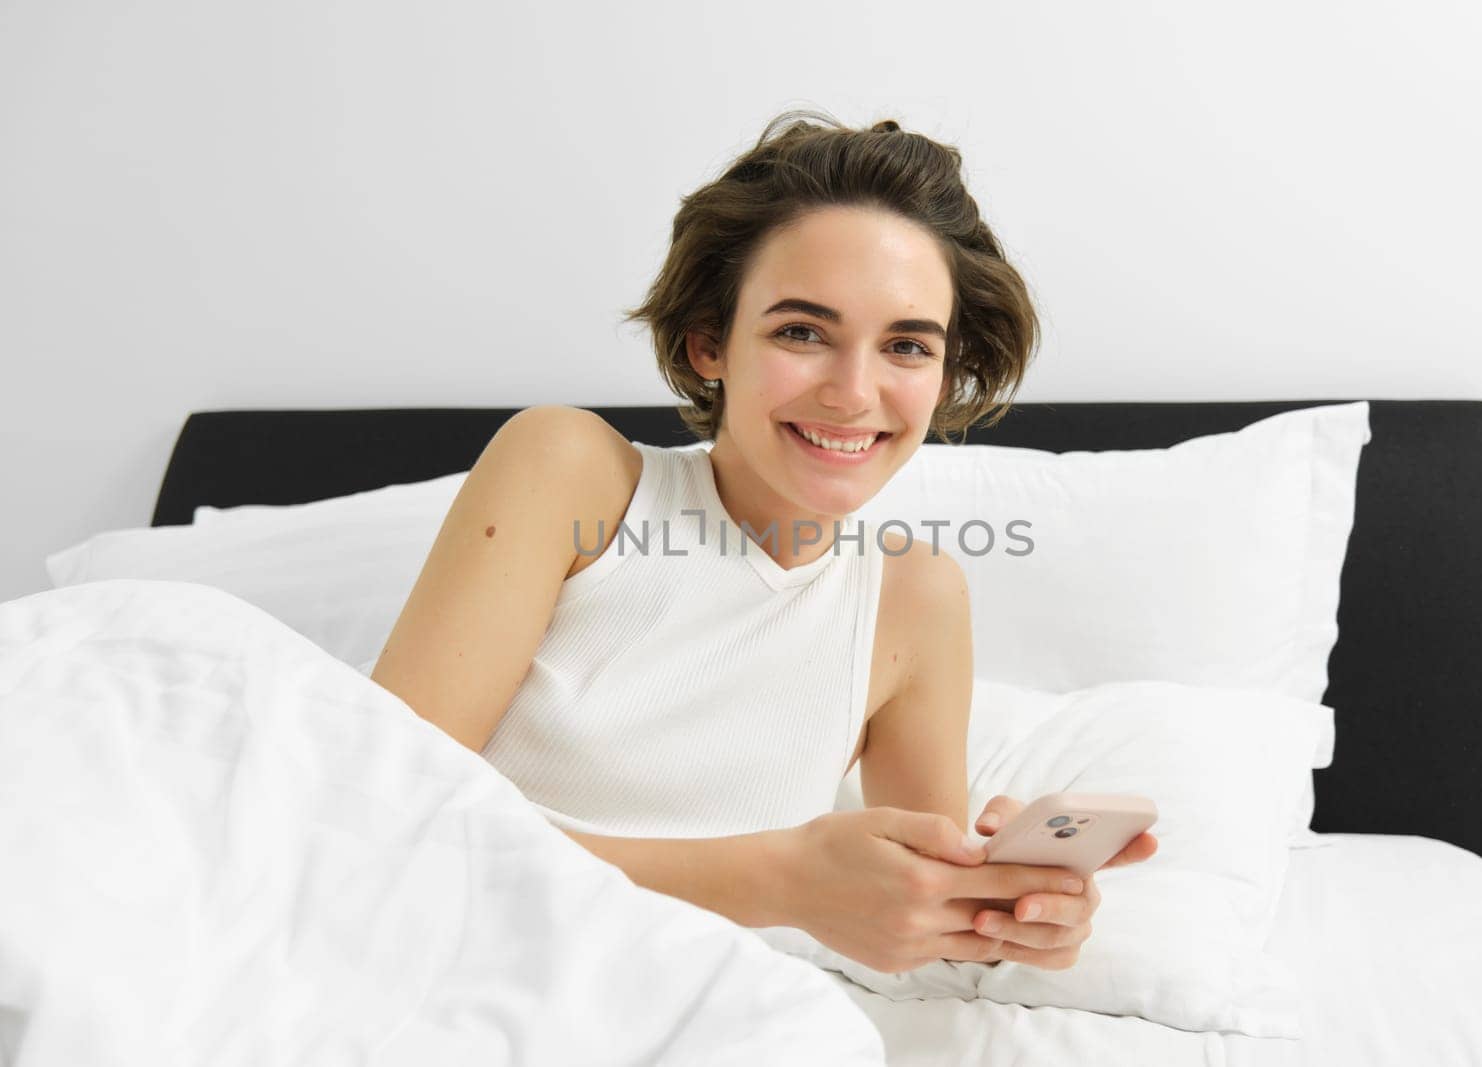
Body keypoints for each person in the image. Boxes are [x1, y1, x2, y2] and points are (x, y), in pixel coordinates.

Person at [370, 109, 1157, 976]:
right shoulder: (572, 472)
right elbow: (377, 814)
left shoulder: (915, 596)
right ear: (711, 340)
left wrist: (1007, 908)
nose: (855, 393)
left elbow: (924, 914)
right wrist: (779, 881)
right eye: (802, 331)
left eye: (905, 345)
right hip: (428, 973)